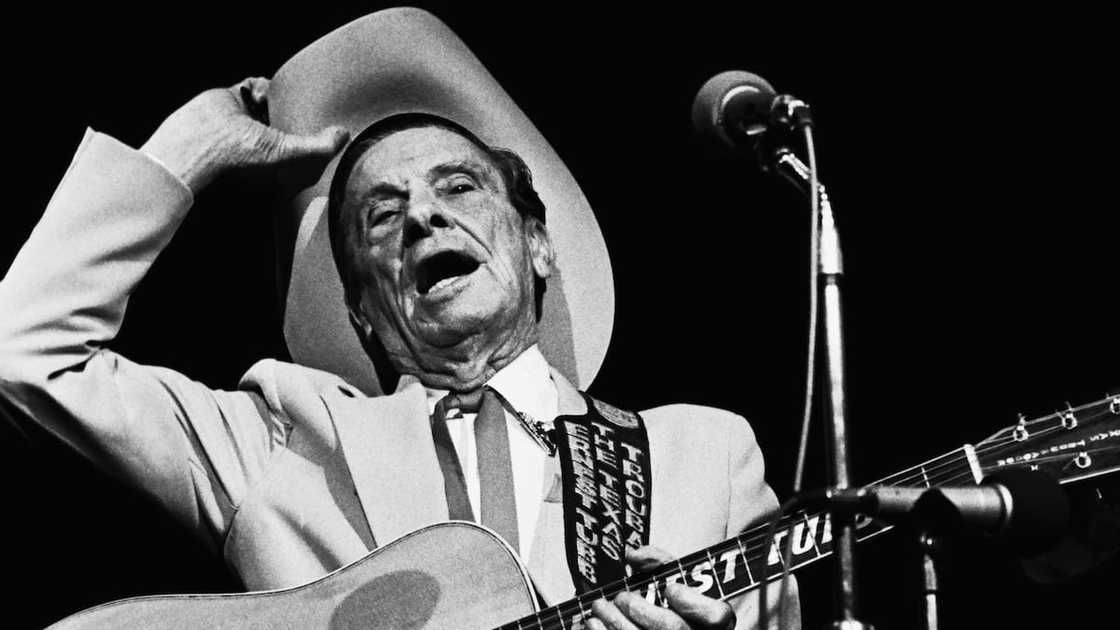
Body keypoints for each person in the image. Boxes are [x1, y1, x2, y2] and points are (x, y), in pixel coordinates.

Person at [0, 8, 797, 629]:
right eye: (381, 216)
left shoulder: (704, 453)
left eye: (458, 188)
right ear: (363, 313)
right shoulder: (288, 438)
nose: (422, 218)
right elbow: (21, 354)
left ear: (538, 245)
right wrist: (183, 152)